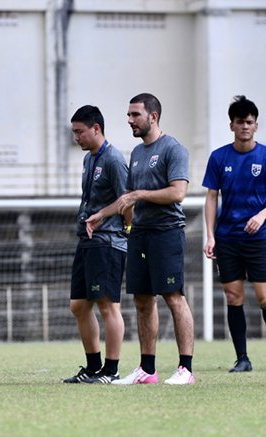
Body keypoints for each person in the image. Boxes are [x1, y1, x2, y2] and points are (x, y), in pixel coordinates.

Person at [87, 92, 195, 385]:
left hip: (166, 233)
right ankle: (147, 369)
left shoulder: (174, 149)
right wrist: (103, 214)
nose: (129, 120)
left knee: (174, 298)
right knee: (143, 301)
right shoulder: (136, 154)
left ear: (153, 116)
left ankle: (186, 369)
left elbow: (178, 192)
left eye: (135, 115)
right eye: (129, 114)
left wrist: (140, 195)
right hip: (140, 234)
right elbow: (126, 199)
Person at [63, 105, 127, 384]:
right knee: (78, 305)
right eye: (74, 132)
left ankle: (111, 371)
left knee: (107, 305)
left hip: (108, 242)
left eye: (79, 132)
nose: (76, 137)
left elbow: (127, 200)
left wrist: (123, 230)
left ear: (96, 129)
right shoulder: (89, 160)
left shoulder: (114, 159)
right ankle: (92, 367)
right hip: (87, 241)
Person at [203, 95, 265, 373]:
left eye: (249, 122)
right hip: (227, 238)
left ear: (256, 125)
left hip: (260, 239)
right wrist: (210, 235)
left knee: (264, 297)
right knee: (233, 296)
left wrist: (262, 215)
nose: (245, 127)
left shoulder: (264, 156)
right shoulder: (219, 157)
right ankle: (242, 358)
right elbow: (211, 197)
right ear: (232, 125)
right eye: (240, 122)